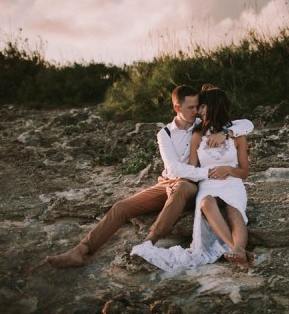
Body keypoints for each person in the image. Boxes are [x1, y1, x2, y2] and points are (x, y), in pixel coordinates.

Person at [46, 85, 253, 268]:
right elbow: (172, 168)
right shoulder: (165, 133)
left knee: (181, 188)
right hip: (170, 181)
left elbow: (246, 124)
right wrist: (205, 172)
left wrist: (226, 134)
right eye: (190, 108)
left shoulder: (204, 125)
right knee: (122, 207)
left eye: (197, 106)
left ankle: (150, 240)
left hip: (193, 185)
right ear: (177, 108)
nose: (196, 111)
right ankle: (81, 250)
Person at [131, 85, 256, 271]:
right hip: (207, 184)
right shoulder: (197, 136)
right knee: (206, 202)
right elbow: (191, 168)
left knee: (234, 211)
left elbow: (244, 172)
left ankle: (238, 248)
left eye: (202, 106)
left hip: (232, 182)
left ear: (213, 107)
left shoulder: (236, 135)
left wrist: (228, 169)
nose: (198, 110)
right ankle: (235, 249)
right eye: (197, 107)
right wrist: (177, 179)